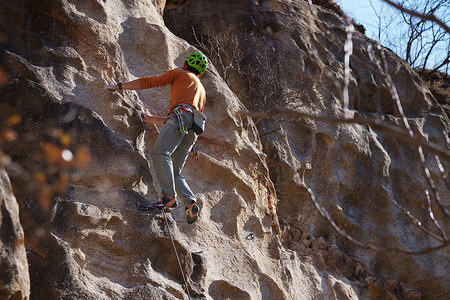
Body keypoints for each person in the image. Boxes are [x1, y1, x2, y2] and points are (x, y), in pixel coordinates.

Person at [102, 52, 208, 224]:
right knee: (174, 171)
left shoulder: (180, 74)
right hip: (192, 131)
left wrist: (119, 86)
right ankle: (190, 202)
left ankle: (168, 197)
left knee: (160, 152)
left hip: (179, 118)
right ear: (200, 73)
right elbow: (188, 118)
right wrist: (151, 119)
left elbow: (149, 82)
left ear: (185, 65)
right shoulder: (201, 90)